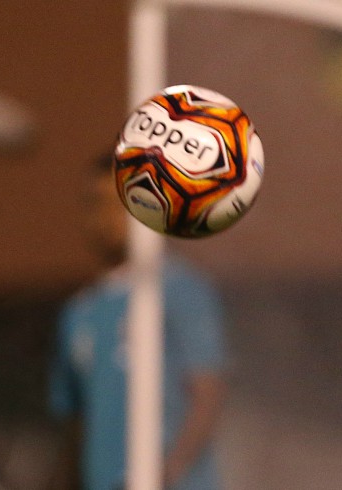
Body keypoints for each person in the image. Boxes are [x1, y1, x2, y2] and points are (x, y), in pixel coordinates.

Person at [48, 154, 228, 490]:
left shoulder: (181, 289)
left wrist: (164, 473)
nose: (106, 217)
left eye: (118, 204)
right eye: (95, 204)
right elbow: (74, 424)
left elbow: (207, 393)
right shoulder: (79, 312)